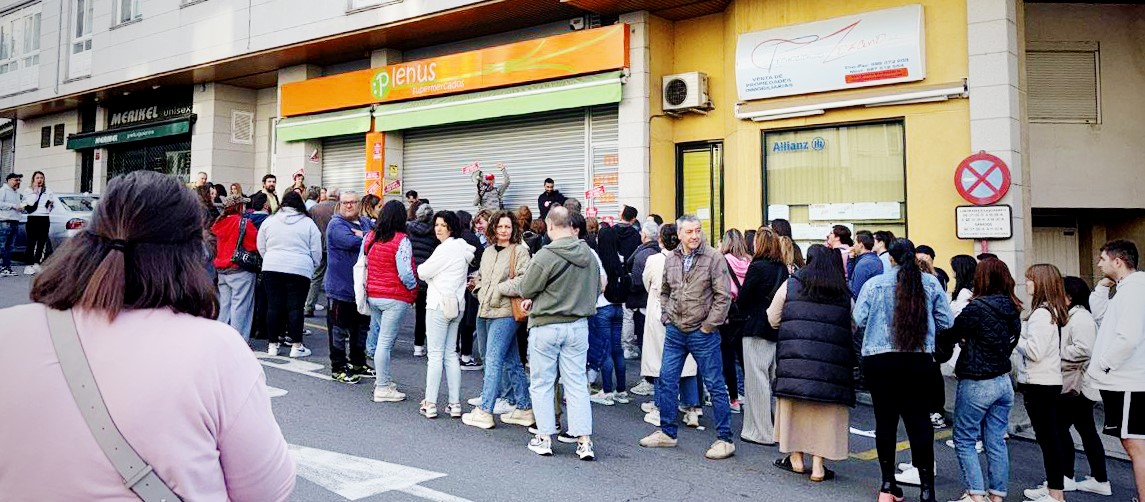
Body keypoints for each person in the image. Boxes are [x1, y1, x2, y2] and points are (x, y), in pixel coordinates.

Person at [0, 170, 295, 500]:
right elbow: (268, 491)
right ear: (190, 253)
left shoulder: (8, 331)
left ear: (86, 240)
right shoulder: (216, 350)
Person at [854, 238, 953, 502]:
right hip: (918, 360)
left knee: (885, 422)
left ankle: (887, 486)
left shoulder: (874, 284)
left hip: (879, 359)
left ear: (891, 258)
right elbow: (946, 320)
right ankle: (926, 490)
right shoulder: (930, 283)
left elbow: (858, 319)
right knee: (919, 423)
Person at [639, 214, 736, 460]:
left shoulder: (714, 257)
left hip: (702, 333)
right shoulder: (671, 258)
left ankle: (725, 439)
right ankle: (667, 432)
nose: (694, 236)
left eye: (698, 231)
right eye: (689, 232)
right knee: (667, 380)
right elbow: (665, 290)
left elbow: (723, 296)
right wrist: (667, 316)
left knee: (715, 385)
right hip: (675, 331)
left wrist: (708, 326)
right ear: (679, 234)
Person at [513, 205, 600, 460]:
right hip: (578, 325)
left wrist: (535, 301)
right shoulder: (588, 255)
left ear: (550, 226)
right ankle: (584, 441)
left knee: (542, 383)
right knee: (576, 384)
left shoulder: (545, 255)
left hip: (547, 325)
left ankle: (544, 437)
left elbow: (527, 287)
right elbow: (597, 288)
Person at [936, 258, 1022, 502]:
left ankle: (975, 494)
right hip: (1003, 381)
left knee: (964, 439)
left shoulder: (976, 308)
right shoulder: (1013, 307)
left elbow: (951, 333)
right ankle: (997, 495)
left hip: (977, 381)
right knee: (995, 441)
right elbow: (1010, 340)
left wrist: (960, 341)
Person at [766, 244, 853, 482]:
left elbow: (772, 317)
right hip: (831, 366)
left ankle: (796, 458)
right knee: (824, 416)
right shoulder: (843, 292)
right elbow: (853, 325)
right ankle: (818, 466)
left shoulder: (791, 284)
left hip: (795, 361)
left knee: (795, 411)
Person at [463, 210, 534, 428]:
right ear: (494, 228)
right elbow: (483, 277)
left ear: (514, 229)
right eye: (500, 226)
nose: (504, 231)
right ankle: (524, 408)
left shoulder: (520, 251)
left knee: (492, 359)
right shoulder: (487, 252)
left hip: (505, 312)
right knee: (510, 360)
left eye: (508, 227)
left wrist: (498, 289)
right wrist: (479, 289)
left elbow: (525, 281)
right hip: (484, 310)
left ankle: (485, 410)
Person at [1088, 239, 1145, 502]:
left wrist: (1103, 364)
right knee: (1133, 442)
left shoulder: (1134, 290)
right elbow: (1100, 315)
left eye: (1102, 259)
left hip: (1129, 382)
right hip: (1126, 380)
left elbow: (1129, 338)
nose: (1099, 264)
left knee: (1135, 444)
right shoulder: (1125, 289)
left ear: (1118, 261)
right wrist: (1102, 287)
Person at [637, 223, 701, 425]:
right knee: (688, 362)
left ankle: (661, 406)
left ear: (661, 240)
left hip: (660, 311)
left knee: (659, 360)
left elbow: (647, 283)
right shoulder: (693, 259)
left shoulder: (654, 260)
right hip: (688, 311)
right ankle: (692, 408)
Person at [1054, 276, 1112, 496]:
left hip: (1078, 385)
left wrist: (1055, 351)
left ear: (1069, 297)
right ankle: (1099, 479)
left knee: (1060, 430)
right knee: (1086, 431)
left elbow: (1084, 350)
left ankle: (1066, 477)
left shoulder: (1080, 318)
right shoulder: (1077, 316)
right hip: (1083, 385)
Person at [1018, 264, 1070, 502]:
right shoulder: (1052, 310)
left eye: (1030, 279)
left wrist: (1015, 337)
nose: (1026, 283)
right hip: (1049, 381)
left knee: (1048, 439)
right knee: (1051, 438)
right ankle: (1053, 488)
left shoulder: (1041, 313)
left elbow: (1034, 351)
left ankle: (1055, 494)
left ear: (1040, 283)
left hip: (1038, 382)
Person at [417, 210, 475, 419]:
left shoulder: (444, 249)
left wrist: (433, 278)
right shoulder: (463, 249)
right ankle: (454, 403)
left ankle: (430, 403)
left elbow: (423, 271)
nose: (438, 229)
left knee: (435, 355)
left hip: (438, 305)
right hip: (457, 306)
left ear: (451, 227)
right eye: (437, 225)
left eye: (442, 225)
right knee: (451, 355)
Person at [736, 227, 789, 445]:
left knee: (756, 381)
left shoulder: (757, 267)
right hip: (776, 329)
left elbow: (744, 298)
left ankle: (760, 431)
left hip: (756, 326)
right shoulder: (782, 269)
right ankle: (779, 429)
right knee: (774, 379)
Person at [365, 201, 419, 403]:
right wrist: (413, 288)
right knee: (385, 344)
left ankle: (384, 381)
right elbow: (405, 272)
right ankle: (382, 387)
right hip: (395, 297)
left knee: (380, 341)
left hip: (374, 294)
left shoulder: (371, 237)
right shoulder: (401, 240)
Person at [258, 191, 321, 358]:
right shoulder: (308, 223)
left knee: (273, 306)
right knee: (295, 308)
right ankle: (296, 346)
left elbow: (261, 245)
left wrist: (269, 258)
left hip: (272, 266)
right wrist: (311, 265)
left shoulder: (270, 221)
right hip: (299, 268)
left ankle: (272, 345)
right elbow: (316, 249)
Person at [324, 191, 375, 384]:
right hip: (340, 288)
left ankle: (358, 363)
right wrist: (366, 236)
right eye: (345, 202)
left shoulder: (365, 222)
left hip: (361, 289)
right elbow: (353, 242)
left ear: (359, 204)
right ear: (339, 204)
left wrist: (365, 234)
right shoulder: (336, 224)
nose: (349, 205)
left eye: (353, 202)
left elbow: (376, 236)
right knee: (338, 329)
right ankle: (338, 367)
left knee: (361, 328)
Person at [588, 224, 629, 406]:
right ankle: (621, 390)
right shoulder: (620, 258)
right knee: (617, 350)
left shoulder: (599, 258)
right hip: (618, 307)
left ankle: (607, 390)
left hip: (602, 308)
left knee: (605, 351)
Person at [212, 194, 258, 343]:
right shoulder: (243, 223)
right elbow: (254, 244)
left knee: (225, 306)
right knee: (241, 306)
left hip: (221, 269)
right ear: (239, 206)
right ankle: (237, 342)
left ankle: (220, 339)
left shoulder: (219, 223)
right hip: (239, 269)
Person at [626, 219, 661, 396]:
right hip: (651, 303)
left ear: (644, 235)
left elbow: (639, 281)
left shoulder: (643, 255)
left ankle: (650, 380)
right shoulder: (659, 252)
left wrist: (628, 282)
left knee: (647, 344)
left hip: (643, 303)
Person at [719, 228, 752, 412]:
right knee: (744, 357)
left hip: (728, 312)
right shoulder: (749, 261)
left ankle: (733, 399)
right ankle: (749, 394)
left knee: (727, 356)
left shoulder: (723, 260)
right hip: (744, 311)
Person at [407, 202, 438, 357]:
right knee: (428, 313)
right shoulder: (435, 233)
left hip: (414, 274)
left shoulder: (409, 229)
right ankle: (428, 344)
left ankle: (417, 346)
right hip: (429, 276)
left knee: (418, 312)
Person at [305, 187, 339, 318]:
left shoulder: (315, 209)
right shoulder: (340, 208)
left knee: (316, 278)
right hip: (336, 247)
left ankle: (309, 306)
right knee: (337, 277)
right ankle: (334, 307)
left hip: (319, 246)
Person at [457, 210, 484, 370]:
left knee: (456, 319)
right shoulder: (471, 238)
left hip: (455, 283)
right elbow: (480, 258)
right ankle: (466, 357)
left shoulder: (453, 238)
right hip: (470, 282)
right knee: (469, 320)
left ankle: (453, 353)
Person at [20, 171, 54, 275]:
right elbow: (30, 203)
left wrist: (50, 205)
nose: (40, 180)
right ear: (33, 179)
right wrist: (35, 192)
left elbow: (52, 203)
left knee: (41, 242)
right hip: (33, 218)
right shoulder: (28, 190)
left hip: (44, 217)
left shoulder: (47, 190)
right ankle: (28, 264)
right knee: (31, 241)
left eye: (41, 178)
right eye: (37, 178)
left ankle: (37, 262)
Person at [848, 230, 883, 299]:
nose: (853, 245)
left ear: (861, 244)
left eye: (854, 242)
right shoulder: (875, 259)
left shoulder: (864, 264)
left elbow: (856, 291)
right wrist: (851, 259)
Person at [0, 173, 19, 277]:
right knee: (2, 246)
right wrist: (13, 206)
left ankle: (6, 267)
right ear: (9, 180)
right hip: (5, 221)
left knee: (10, 247)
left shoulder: (16, 193)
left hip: (15, 221)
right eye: (15, 180)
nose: (17, 182)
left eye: (18, 180)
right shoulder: (3, 191)